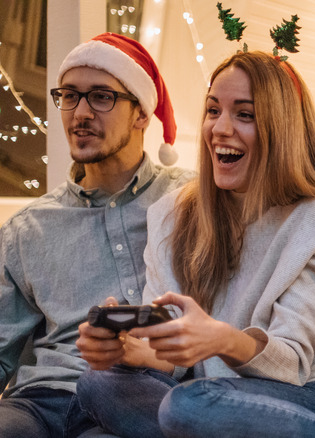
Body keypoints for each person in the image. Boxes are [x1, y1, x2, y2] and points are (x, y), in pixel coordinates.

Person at [76, 50, 315, 438]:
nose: (220, 128)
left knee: (189, 405)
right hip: (216, 397)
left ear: (281, 129)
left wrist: (221, 338)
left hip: (312, 397)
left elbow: (291, 362)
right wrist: (126, 349)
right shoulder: (171, 214)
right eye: (212, 110)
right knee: (95, 384)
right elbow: (168, 354)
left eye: (245, 113)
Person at [0, 32, 191, 437]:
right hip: (41, 401)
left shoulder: (190, 197)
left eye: (101, 96)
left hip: (139, 396)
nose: (80, 113)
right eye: (69, 96)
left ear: (141, 113)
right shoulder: (27, 228)